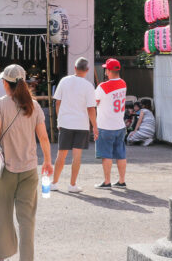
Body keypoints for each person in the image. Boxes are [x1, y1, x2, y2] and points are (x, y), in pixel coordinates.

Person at [0, 64, 53, 261]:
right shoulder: (34, 106)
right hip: (30, 168)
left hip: (5, 169)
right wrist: (48, 162)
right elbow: (43, 137)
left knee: (2, 213)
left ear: (5, 83)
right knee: (27, 217)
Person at [50, 57, 96, 193]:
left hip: (65, 122)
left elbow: (57, 102)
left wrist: (59, 119)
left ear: (75, 68)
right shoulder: (88, 86)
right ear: (87, 70)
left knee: (61, 154)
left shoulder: (64, 81)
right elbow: (91, 109)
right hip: (81, 124)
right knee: (77, 156)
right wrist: (95, 126)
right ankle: (72, 185)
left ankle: (54, 182)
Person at [94, 58, 128, 189]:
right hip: (120, 124)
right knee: (121, 154)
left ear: (108, 71)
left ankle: (107, 181)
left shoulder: (102, 87)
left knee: (106, 154)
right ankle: (121, 180)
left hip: (105, 126)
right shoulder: (123, 84)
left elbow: (94, 102)